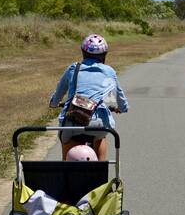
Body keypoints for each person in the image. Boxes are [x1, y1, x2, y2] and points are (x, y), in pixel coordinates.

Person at [50, 33, 129, 162]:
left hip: (73, 122)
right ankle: (100, 172)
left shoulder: (73, 69)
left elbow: (58, 95)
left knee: (67, 147)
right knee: (100, 137)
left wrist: (53, 103)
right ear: (104, 56)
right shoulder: (109, 71)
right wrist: (121, 108)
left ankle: (66, 169)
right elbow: (119, 98)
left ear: (83, 53)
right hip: (98, 125)